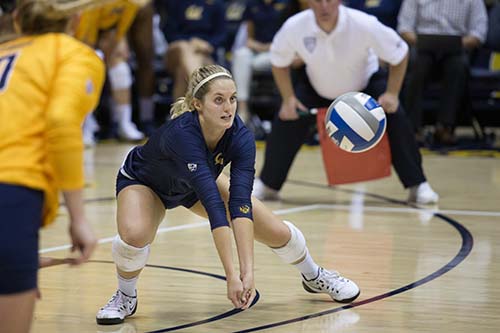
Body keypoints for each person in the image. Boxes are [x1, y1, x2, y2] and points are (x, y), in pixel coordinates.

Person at [95, 64, 360, 325]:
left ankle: (314, 276)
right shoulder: (183, 135)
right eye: (218, 100)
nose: (228, 107)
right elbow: (214, 208)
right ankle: (125, 296)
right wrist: (231, 275)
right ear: (197, 104)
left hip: (192, 183)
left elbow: (240, 204)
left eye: (232, 99)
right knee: (135, 235)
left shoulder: (241, 136)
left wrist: (248, 273)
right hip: (146, 182)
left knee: (277, 232)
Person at [252, 0, 439, 205]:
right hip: (317, 86)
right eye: (317, 0)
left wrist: (392, 93)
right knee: (286, 119)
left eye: (329, 0)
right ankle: (268, 185)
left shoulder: (364, 23)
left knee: (396, 118)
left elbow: (400, 52)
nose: (324, 6)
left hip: (364, 86)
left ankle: (418, 185)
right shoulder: (294, 26)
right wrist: (288, 99)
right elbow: (279, 61)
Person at [0, 0, 105, 332]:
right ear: (75, 19)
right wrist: (78, 219)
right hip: (11, 192)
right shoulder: (73, 54)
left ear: (17, 19)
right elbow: (61, 122)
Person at [397, 0, 488, 145]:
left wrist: (457, 44)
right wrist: (422, 42)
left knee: (459, 66)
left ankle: (445, 127)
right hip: (422, 48)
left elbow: (479, 32)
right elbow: (404, 28)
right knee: (415, 65)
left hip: (457, 49)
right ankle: (413, 128)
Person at [76, 0, 152, 143]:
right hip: (79, 37)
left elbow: (118, 33)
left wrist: (111, 52)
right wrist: (98, 60)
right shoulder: (94, 4)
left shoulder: (133, 4)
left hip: (106, 35)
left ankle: (124, 123)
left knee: (120, 68)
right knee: (88, 67)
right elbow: (86, 39)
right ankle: (86, 123)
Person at [231, 0, 290, 123]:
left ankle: (285, 104)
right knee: (240, 55)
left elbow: (290, 33)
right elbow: (249, 38)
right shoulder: (252, 4)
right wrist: (257, 46)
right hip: (258, 50)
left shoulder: (286, 3)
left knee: (258, 62)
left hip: (278, 50)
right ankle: (242, 109)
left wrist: (271, 47)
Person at [158, 0, 227, 100]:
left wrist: (209, 44)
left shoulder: (216, 4)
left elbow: (222, 34)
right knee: (183, 47)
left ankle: (180, 114)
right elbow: (169, 32)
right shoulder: (177, 3)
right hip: (176, 50)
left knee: (182, 71)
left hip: (203, 53)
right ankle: (200, 87)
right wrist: (191, 42)